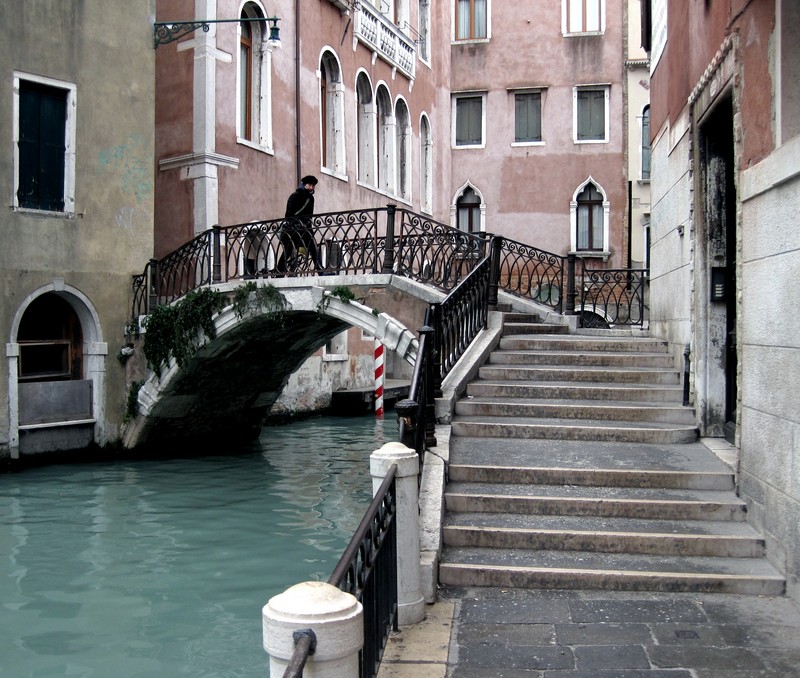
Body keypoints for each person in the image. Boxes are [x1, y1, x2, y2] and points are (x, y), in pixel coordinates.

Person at [277, 175, 321, 274]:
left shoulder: (311, 198)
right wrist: (296, 223)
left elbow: (310, 216)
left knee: (313, 248)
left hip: (305, 229)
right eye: (310, 185)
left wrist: (309, 230)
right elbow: (289, 214)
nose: (311, 188)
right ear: (304, 185)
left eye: (313, 186)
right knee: (288, 250)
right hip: (292, 229)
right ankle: (279, 272)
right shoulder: (295, 196)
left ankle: (320, 270)